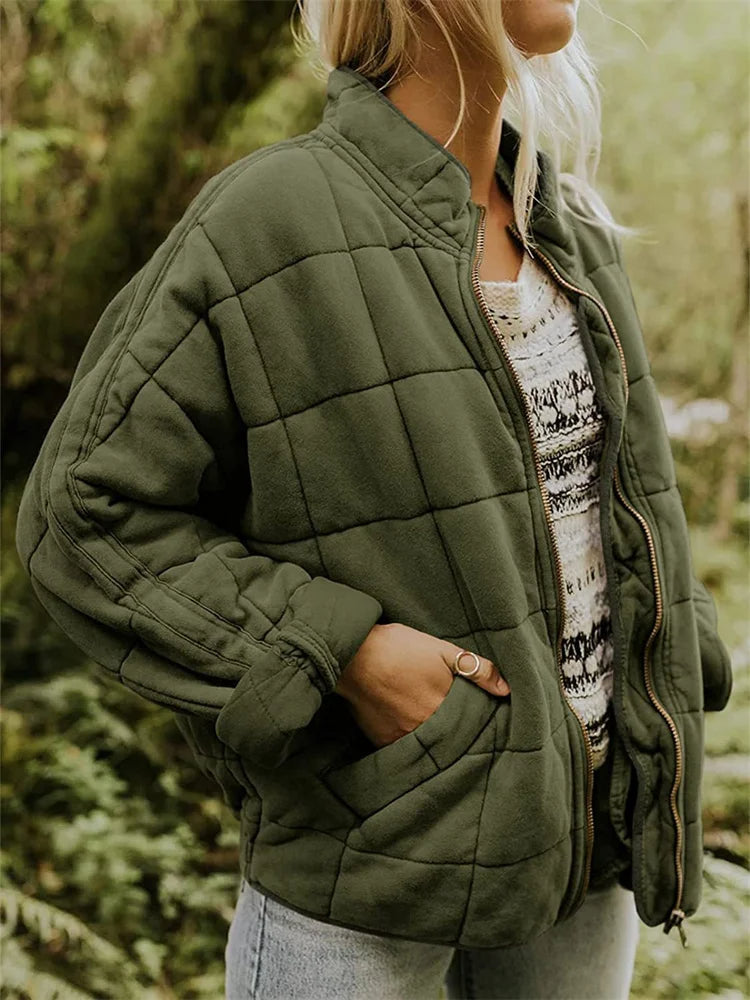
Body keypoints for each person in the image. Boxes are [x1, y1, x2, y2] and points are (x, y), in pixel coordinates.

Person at [15, 0, 734, 997]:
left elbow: (614, 503)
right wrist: (344, 653)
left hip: (584, 849)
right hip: (374, 863)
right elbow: (85, 512)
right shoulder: (273, 219)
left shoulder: (569, 229)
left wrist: (677, 649)